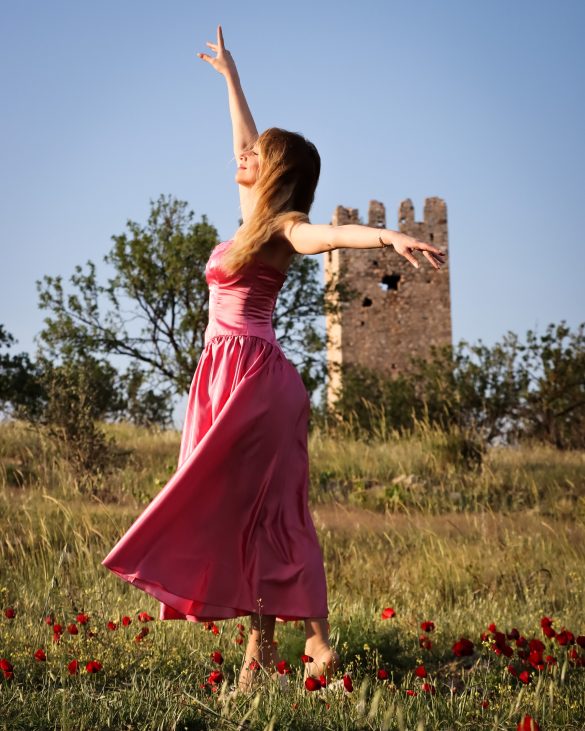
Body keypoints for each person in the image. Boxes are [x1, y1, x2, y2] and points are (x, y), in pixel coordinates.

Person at [102, 24, 446, 696]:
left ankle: (300, 644)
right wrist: (231, 77)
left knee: (266, 513)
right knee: (248, 514)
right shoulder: (252, 220)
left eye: (255, 156)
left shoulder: (286, 228)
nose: (242, 155)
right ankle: (279, 648)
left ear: (275, 171)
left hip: (255, 379)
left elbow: (331, 235)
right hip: (225, 376)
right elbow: (241, 138)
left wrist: (387, 237)